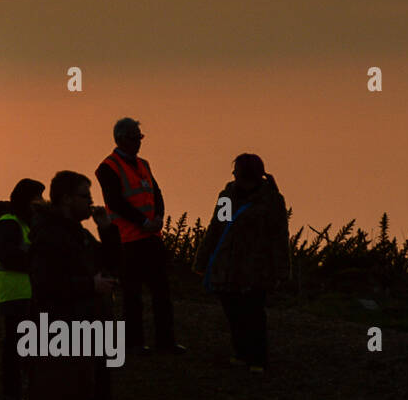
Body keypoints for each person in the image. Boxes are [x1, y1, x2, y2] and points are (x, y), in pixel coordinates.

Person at [30, 171, 121, 400]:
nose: (91, 202)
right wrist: (89, 286)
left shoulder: (81, 236)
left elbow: (113, 263)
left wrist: (107, 231)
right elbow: (44, 286)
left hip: (93, 329)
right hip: (68, 330)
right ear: (67, 199)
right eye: (85, 196)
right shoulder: (51, 236)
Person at [96, 117, 185, 355]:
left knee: (161, 292)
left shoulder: (144, 164)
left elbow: (156, 193)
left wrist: (158, 218)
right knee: (132, 294)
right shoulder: (107, 167)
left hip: (151, 237)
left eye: (140, 138)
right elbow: (115, 201)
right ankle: (134, 343)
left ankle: (166, 341)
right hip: (128, 241)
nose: (139, 143)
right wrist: (144, 221)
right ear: (122, 139)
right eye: (135, 138)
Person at [193, 154, 289, 373]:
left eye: (236, 170)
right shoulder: (227, 196)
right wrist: (202, 260)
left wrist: (282, 271)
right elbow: (215, 228)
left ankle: (258, 359)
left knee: (254, 313)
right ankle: (241, 353)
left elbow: (279, 236)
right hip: (228, 267)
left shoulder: (272, 200)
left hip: (257, 268)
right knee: (234, 312)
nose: (233, 174)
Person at [0, 178, 47, 400]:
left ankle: (28, 392)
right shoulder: (9, 223)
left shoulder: (27, 224)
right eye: (37, 197)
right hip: (16, 295)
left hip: (29, 294)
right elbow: (8, 256)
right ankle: (13, 394)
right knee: (16, 348)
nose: (41, 202)